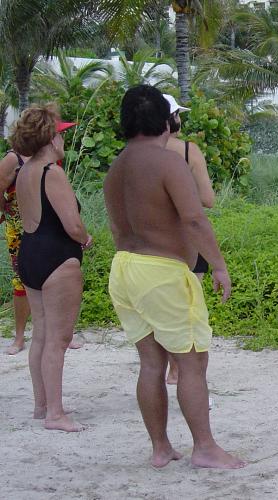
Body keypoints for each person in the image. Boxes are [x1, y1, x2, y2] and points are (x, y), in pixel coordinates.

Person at [104, 85, 244, 469]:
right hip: (162, 272)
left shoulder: (117, 167)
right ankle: (204, 447)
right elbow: (194, 218)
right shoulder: (168, 162)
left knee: (151, 363)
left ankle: (161, 446)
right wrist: (218, 265)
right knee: (192, 363)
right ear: (167, 121)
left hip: (125, 268)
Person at [10, 105, 89, 432]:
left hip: (29, 253)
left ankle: (42, 405)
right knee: (59, 337)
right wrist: (85, 239)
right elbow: (71, 224)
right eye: (60, 133)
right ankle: (56, 414)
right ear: (49, 137)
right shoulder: (51, 172)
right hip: (57, 257)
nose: (63, 139)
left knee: (41, 333)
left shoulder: (25, 171)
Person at [162, 93, 215, 384]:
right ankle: (181, 368)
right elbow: (207, 199)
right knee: (190, 308)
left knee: (163, 310)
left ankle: (170, 366)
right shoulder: (187, 151)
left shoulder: (134, 153)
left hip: (152, 241)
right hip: (188, 239)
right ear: (171, 119)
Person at [0, 149, 30, 355]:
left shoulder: (51, 154)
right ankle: (19, 337)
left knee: (54, 280)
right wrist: (5, 210)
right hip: (19, 229)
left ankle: (63, 334)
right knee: (22, 280)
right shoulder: (13, 158)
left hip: (47, 227)